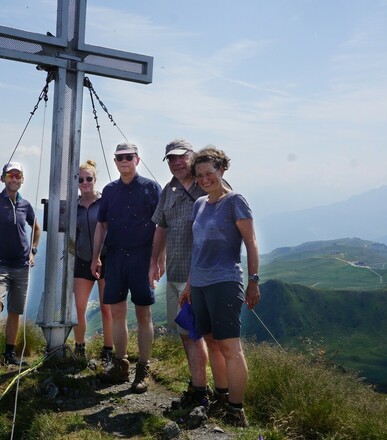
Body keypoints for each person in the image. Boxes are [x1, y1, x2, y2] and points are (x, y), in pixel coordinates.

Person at [180, 146, 260, 427]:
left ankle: (237, 410)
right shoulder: (199, 204)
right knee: (212, 342)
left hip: (225, 282)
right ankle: (222, 395)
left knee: (230, 347)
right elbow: (198, 247)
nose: (204, 179)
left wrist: (253, 282)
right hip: (200, 284)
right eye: (199, 174)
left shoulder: (235, 201)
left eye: (209, 172)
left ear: (222, 170)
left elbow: (250, 243)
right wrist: (189, 284)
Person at [91, 142, 161, 393]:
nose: (124, 161)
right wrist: (95, 256)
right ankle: (121, 365)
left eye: (128, 157)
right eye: (119, 157)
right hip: (116, 257)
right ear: (115, 161)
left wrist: (158, 260)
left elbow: (161, 227)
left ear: (137, 160)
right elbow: (102, 225)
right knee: (117, 313)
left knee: (143, 314)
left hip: (142, 257)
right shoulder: (110, 191)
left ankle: (142, 367)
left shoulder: (152, 188)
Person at [148, 139, 211, 407]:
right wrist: (154, 261)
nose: (176, 163)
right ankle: (199, 387)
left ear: (192, 156)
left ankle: (203, 390)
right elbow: (161, 226)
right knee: (185, 332)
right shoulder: (169, 189)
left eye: (181, 157)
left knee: (197, 332)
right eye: (171, 159)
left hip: (198, 274)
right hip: (174, 272)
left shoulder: (207, 185)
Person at [0, 161, 41, 379]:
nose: (14, 179)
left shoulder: (26, 205)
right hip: (0, 264)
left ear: (22, 180)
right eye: (10, 175)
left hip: (22, 265)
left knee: (15, 311)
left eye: (18, 175)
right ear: (3, 178)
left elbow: (36, 227)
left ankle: (10, 353)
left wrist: (33, 251)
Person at [73, 159, 114, 364]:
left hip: (106, 259)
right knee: (78, 307)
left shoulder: (104, 202)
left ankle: (108, 350)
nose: (85, 182)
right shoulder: (74, 206)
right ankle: (79, 348)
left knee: (107, 307)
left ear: (95, 179)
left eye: (89, 178)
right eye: (80, 179)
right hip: (82, 259)